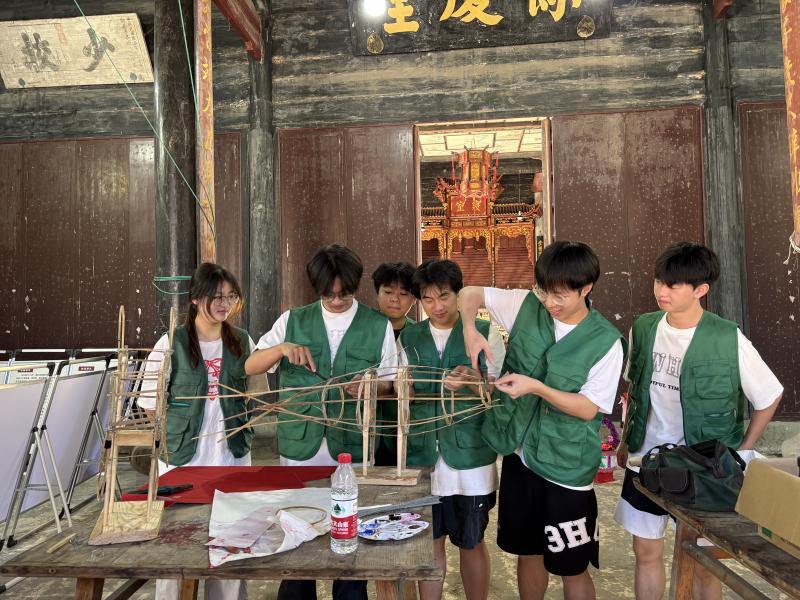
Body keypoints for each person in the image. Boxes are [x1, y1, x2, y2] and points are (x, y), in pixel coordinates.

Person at [614, 242, 783, 600]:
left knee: (704, 563)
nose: (661, 290)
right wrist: (626, 439)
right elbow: (635, 389)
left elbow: (769, 396)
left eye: (673, 284)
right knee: (645, 552)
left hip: (703, 469)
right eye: (659, 280)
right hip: (646, 460)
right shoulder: (643, 328)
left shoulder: (726, 337)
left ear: (700, 289)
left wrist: (743, 450)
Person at [459, 241, 625, 600]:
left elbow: (589, 408)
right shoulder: (525, 305)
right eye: (544, 291)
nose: (549, 302)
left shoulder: (606, 341)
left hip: (565, 465)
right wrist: (470, 329)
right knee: (528, 551)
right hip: (520, 454)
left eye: (560, 295)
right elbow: (470, 293)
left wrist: (536, 387)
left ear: (586, 288)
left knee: (571, 565)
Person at [245, 244, 397, 600]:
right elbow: (251, 365)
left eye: (345, 294)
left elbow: (391, 383)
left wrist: (370, 384)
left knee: (349, 538)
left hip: (352, 445)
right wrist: (282, 349)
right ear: (318, 289)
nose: (337, 301)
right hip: (300, 447)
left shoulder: (377, 326)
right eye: (329, 295)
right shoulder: (292, 320)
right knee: (297, 537)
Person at [139, 262, 255, 600]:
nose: (224, 304)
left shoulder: (242, 341)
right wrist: (178, 432)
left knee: (230, 545)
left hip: (231, 457)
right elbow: (150, 404)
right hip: (182, 460)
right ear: (194, 298)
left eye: (230, 296)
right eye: (216, 296)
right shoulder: (170, 342)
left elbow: (256, 394)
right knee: (175, 546)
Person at [398, 259, 505, 600]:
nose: (437, 306)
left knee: (471, 542)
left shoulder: (484, 332)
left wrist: (474, 380)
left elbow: (501, 390)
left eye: (444, 296)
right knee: (429, 542)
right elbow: (401, 388)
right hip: (424, 454)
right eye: (428, 299)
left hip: (471, 458)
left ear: (459, 294)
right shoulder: (409, 337)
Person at [372, 261, 416, 340]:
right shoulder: (362, 327)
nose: (395, 299)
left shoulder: (419, 334)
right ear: (377, 294)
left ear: (414, 299)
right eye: (388, 292)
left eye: (403, 293)